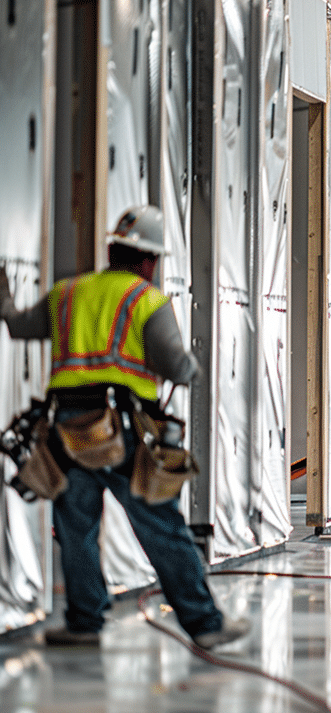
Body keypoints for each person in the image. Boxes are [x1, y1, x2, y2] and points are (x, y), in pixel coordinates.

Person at [0, 206, 250, 647]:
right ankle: (205, 625)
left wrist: (3, 297)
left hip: (68, 431)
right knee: (161, 526)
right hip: (122, 433)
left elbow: (20, 327)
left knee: (77, 530)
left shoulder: (67, 293)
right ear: (150, 261)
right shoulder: (145, 300)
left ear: (113, 249)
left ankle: (84, 622)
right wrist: (191, 367)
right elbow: (175, 365)